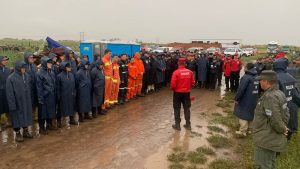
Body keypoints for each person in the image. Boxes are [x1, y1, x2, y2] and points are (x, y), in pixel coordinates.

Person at [253, 70, 289, 169]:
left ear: (266, 82)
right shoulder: (280, 93)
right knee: (270, 163)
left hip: (266, 139)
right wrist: (284, 127)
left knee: (262, 165)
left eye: (261, 80)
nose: (259, 82)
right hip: (272, 139)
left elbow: (275, 118)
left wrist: (282, 129)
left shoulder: (269, 97)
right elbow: (287, 113)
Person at [273, 58, 300, 140]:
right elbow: (295, 94)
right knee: (289, 122)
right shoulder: (291, 78)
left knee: (278, 124)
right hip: (290, 105)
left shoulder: (274, 78)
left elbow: (273, 95)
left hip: (279, 107)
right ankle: (287, 136)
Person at [6, 61, 33, 142]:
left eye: (25, 67)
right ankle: (17, 133)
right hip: (17, 102)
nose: (24, 69)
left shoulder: (27, 76)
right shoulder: (11, 78)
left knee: (26, 116)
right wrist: (12, 105)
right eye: (22, 68)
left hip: (26, 101)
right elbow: (10, 93)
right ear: (18, 68)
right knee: (17, 117)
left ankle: (25, 131)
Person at [234, 63, 259, 137]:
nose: (243, 68)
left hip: (246, 98)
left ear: (247, 68)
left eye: (244, 67)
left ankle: (243, 131)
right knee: (251, 113)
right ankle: (249, 129)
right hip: (254, 98)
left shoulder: (246, 77)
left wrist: (236, 98)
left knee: (243, 114)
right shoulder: (256, 76)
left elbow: (241, 89)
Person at [170, 58, 195, 131]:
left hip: (177, 93)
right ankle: (188, 124)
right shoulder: (190, 72)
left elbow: (173, 85)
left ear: (178, 63)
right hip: (186, 93)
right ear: (185, 64)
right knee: (187, 108)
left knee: (177, 108)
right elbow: (193, 83)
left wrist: (173, 89)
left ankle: (177, 125)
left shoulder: (176, 72)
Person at [36, 56, 57, 135]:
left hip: (51, 96)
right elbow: (39, 87)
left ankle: (49, 124)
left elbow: (53, 83)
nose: (50, 64)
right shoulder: (39, 73)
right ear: (44, 63)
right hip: (44, 96)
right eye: (48, 63)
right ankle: (41, 128)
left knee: (50, 111)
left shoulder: (51, 72)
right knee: (42, 113)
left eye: (50, 63)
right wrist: (40, 98)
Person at [56, 62, 76, 129]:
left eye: (70, 66)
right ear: (64, 68)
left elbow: (74, 85)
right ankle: (59, 122)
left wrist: (74, 92)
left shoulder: (71, 75)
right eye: (68, 67)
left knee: (71, 108)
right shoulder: (59, 76)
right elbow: (58, 88)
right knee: (61, 110)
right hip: (63, 96)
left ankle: (70, 120)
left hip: (71, 95)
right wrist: (58, 96)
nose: (70, 68)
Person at [24, 52, 39, 135]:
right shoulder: (24, 66)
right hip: (27, 89)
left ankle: (33, 119)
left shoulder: (33, 66)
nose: (32, 59)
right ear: (26, 58)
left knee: (34, 105)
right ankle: (26, 124)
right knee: (27, 106)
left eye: (32, 57)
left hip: (34, 88)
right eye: (30, 57)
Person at [0, 56, 12, 143]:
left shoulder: (8, 70)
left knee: (8, 108)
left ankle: (9, 122)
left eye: (6, 60)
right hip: (0, 93)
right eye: (4, 60)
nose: (6, 61)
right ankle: (1, 125)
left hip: (7, 92)